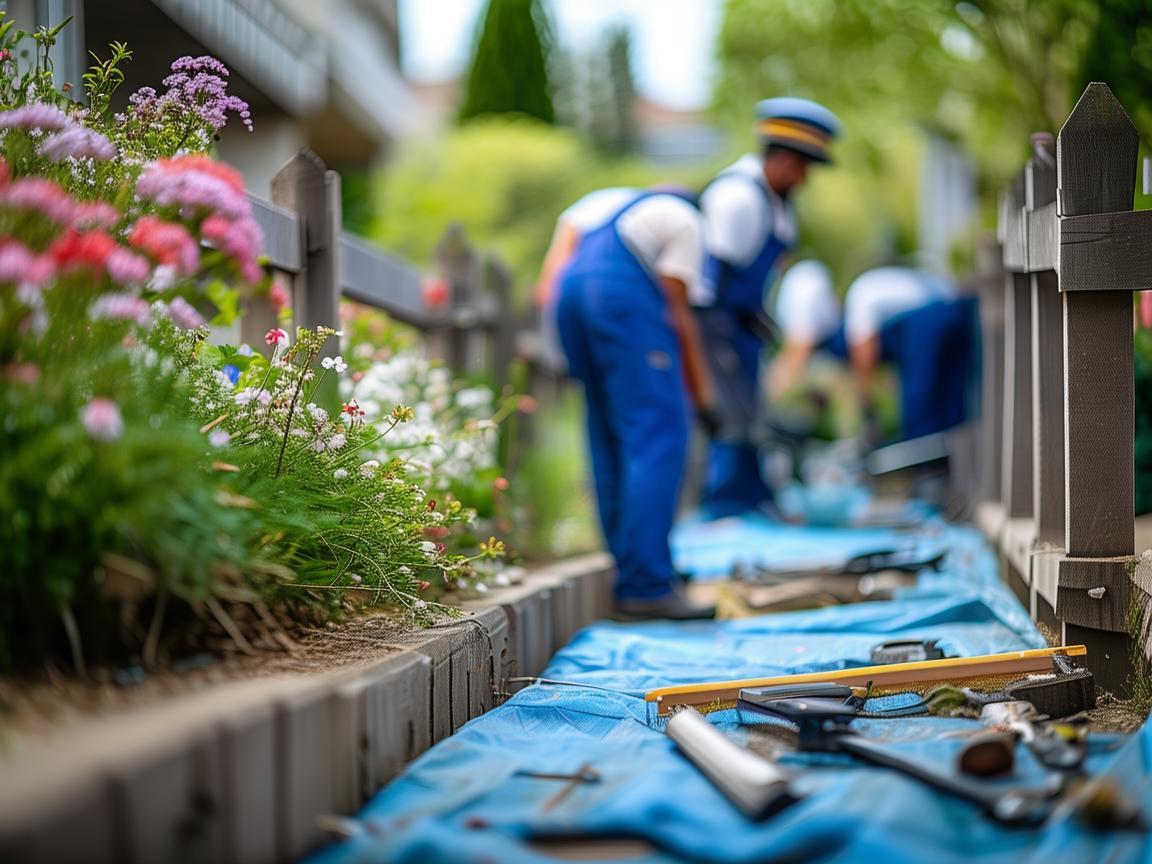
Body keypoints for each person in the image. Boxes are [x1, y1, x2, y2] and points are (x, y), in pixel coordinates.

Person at [550, 188, 716, 619]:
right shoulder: (686, 220)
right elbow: (679, 313)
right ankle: (646, 584)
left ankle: (634, 568)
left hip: (570, 297)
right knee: (659, 434)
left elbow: (550, 279)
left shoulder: (603, 206)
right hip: (618, 297)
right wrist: (703, 397)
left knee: (608, 431)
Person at [696, 97, 841, 519]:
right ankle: (724, 507)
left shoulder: (779, 204)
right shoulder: (737, 198)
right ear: (781, 160)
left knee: (749, 414)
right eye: (802, 167)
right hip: (717, 323)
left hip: (742, 326)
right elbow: (714, 280)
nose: (804, 178)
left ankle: (750, 499)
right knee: (727, 415)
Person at [843, 266, 977, 442]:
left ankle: (926, 464)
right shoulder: (874, 286)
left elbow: (864, 349)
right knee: (953, 403)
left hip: (925, 320)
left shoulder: (856, 300)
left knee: (919, 406)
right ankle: (956, 457)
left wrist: (864, 400)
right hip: (956, 310)